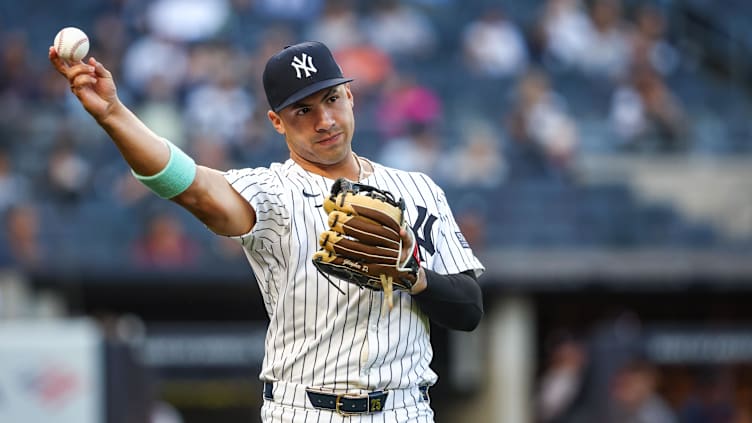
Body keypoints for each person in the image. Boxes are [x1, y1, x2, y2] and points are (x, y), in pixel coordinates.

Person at [50, 40, 484, 422]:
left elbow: (468, 310)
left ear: (350, 96)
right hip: (304, 411)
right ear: (277, 122)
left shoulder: (419, 188)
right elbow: (191, 187)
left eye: (332, 99)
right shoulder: (272, 192)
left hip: (406, 410)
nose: (325, 120)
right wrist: (112, 114)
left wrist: (412, 276)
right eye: (304, 110)